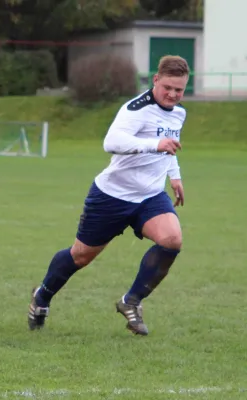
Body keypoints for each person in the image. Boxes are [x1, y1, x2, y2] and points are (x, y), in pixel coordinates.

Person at [28, 55, 188, 336]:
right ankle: (42, 296)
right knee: (80, 256)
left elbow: (169, 145)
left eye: (180, 90)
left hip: (150, 196)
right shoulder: (136, 109)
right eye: (168, 88)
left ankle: (131, 301)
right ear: (156, 80)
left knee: (172, 240)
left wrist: (174, 175)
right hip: (112, 196)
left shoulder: (178, 113)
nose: (173, 95)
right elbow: (112, 142)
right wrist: (154, 144)